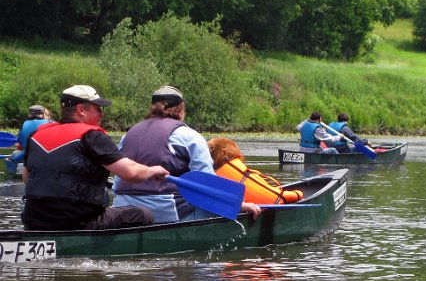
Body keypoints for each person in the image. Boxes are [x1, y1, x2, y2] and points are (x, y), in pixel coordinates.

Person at [22, 85, 169, 231]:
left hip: (34, 222)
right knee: (142, 214)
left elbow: (26, 178)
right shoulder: (92, 136)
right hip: (79, 222)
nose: (102, 114)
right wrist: (153, 171)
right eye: (98, 109)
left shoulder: (36, 135)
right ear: (81, 110)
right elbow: (131, 173)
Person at [112, 86, 261, 223]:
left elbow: (117, 181)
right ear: (181, 109)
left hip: (123, 209)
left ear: (152, 108)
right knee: (213, 207)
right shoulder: (189, 136)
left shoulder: (128, 136)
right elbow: (207, 184)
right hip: (166, 212)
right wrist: (239, 206)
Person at [208, 137, 304, 204]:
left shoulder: (210, 176)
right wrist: (299, 194)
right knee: (299, 193)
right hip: (276, 200)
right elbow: (285, 197)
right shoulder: (236, 168)